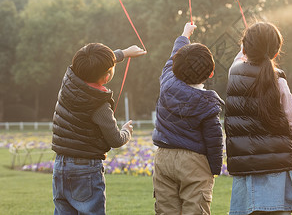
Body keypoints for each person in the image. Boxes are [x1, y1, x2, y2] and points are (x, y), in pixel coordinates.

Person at [51, 42, 146, 215]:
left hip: (60, 165)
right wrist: (127, 131)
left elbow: (94, 63)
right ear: (107, 76)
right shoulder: (99, 104)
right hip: (85, 169)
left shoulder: (69, 82)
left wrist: (124, 53)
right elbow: (116, 140)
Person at [225, 22, 292, 215]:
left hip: (246, 169)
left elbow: (240, 57)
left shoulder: (233, 73)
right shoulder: (279, 82)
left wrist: (246, 46)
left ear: (244, 48)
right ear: (276, 53)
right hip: (277, 168)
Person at [152, 23, 224, 215]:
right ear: (210, 73)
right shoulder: (207, 104)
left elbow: (175, 54)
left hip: (164, 156)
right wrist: (215, 168)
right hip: (194, 162)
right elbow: (214, 138)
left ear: (175, 66)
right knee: (195, 209)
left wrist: (184, 34)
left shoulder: (167, 79)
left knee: (166, 210)